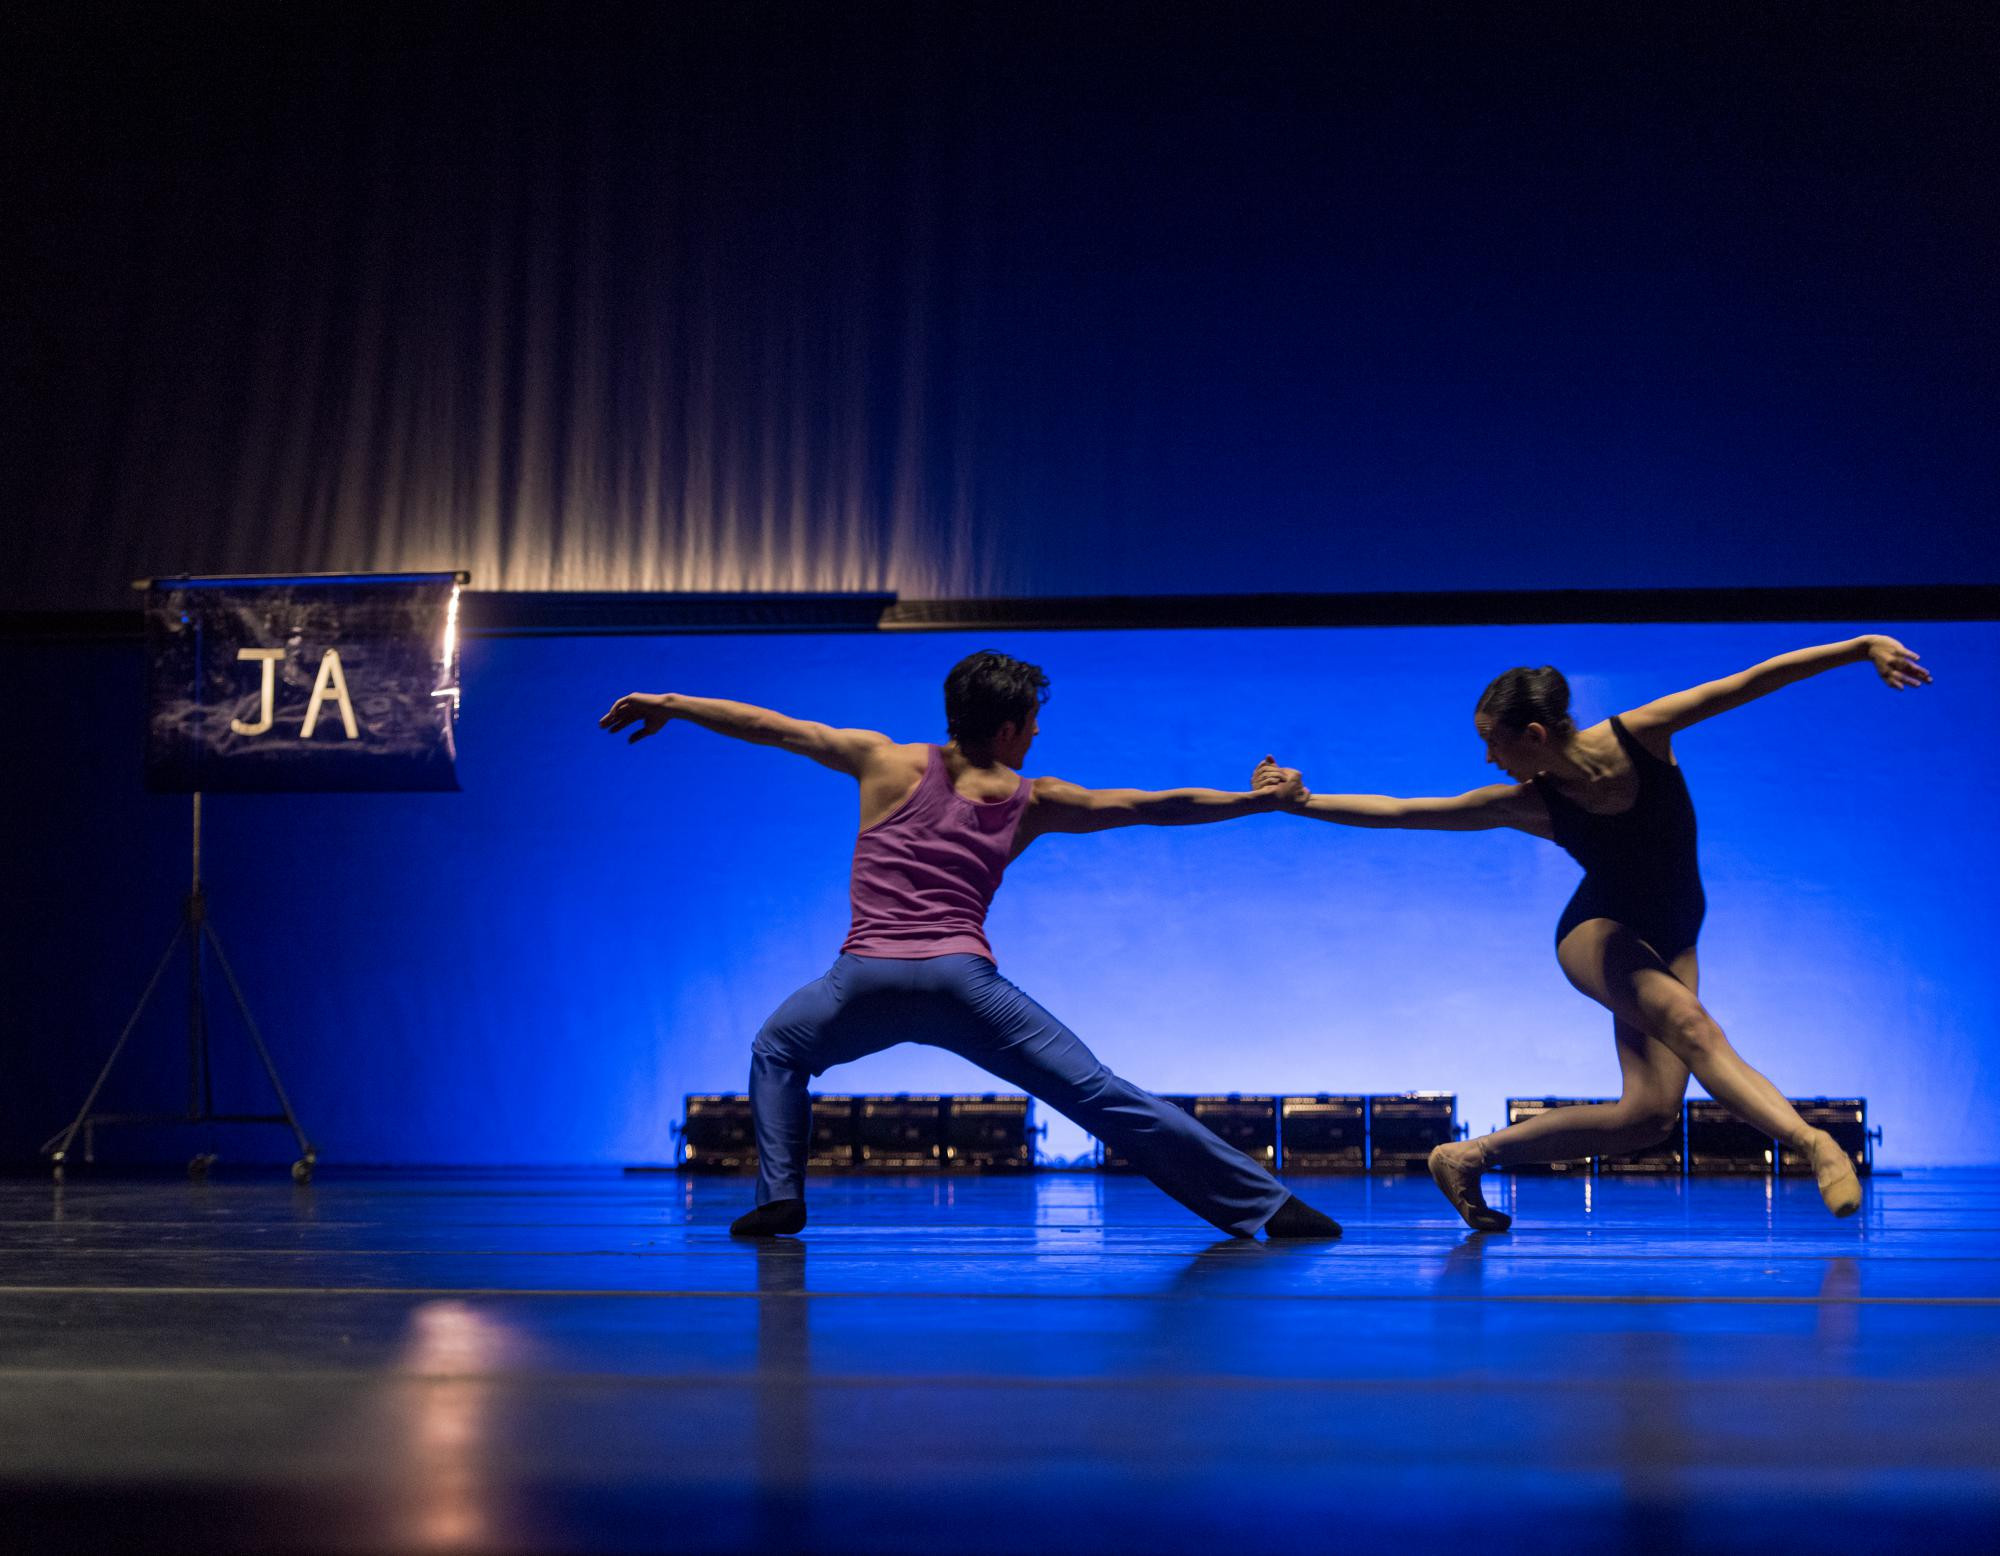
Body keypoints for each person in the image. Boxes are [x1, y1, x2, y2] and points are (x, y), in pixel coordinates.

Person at [600, 650, 1341, 1241]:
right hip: (964, 984)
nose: (1039, 735)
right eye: (1034, 721)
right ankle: (1271, 1210)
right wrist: (1258, 799)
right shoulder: (1034, 798)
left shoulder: (880, 760)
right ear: (1013, 726)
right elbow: (1156, 807)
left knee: (778, 1049)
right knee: (1099, 1094)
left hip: (860, 981)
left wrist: (668, 704)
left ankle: (780, 1200)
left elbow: (768, 725)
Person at [1254, 634, 1930, 1231]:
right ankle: (1814, 1145)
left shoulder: (1642, 734)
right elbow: (1405, 813)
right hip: (1597, 934)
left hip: (1674, 937)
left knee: (1649, 1116)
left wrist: (1860, 645)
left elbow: (1750, 682)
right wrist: (1304, 802)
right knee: (1693, 1028)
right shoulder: (1529, 802)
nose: (1489, 759)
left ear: (1536, 735)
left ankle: (1467, 1156)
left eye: (1494, 741)